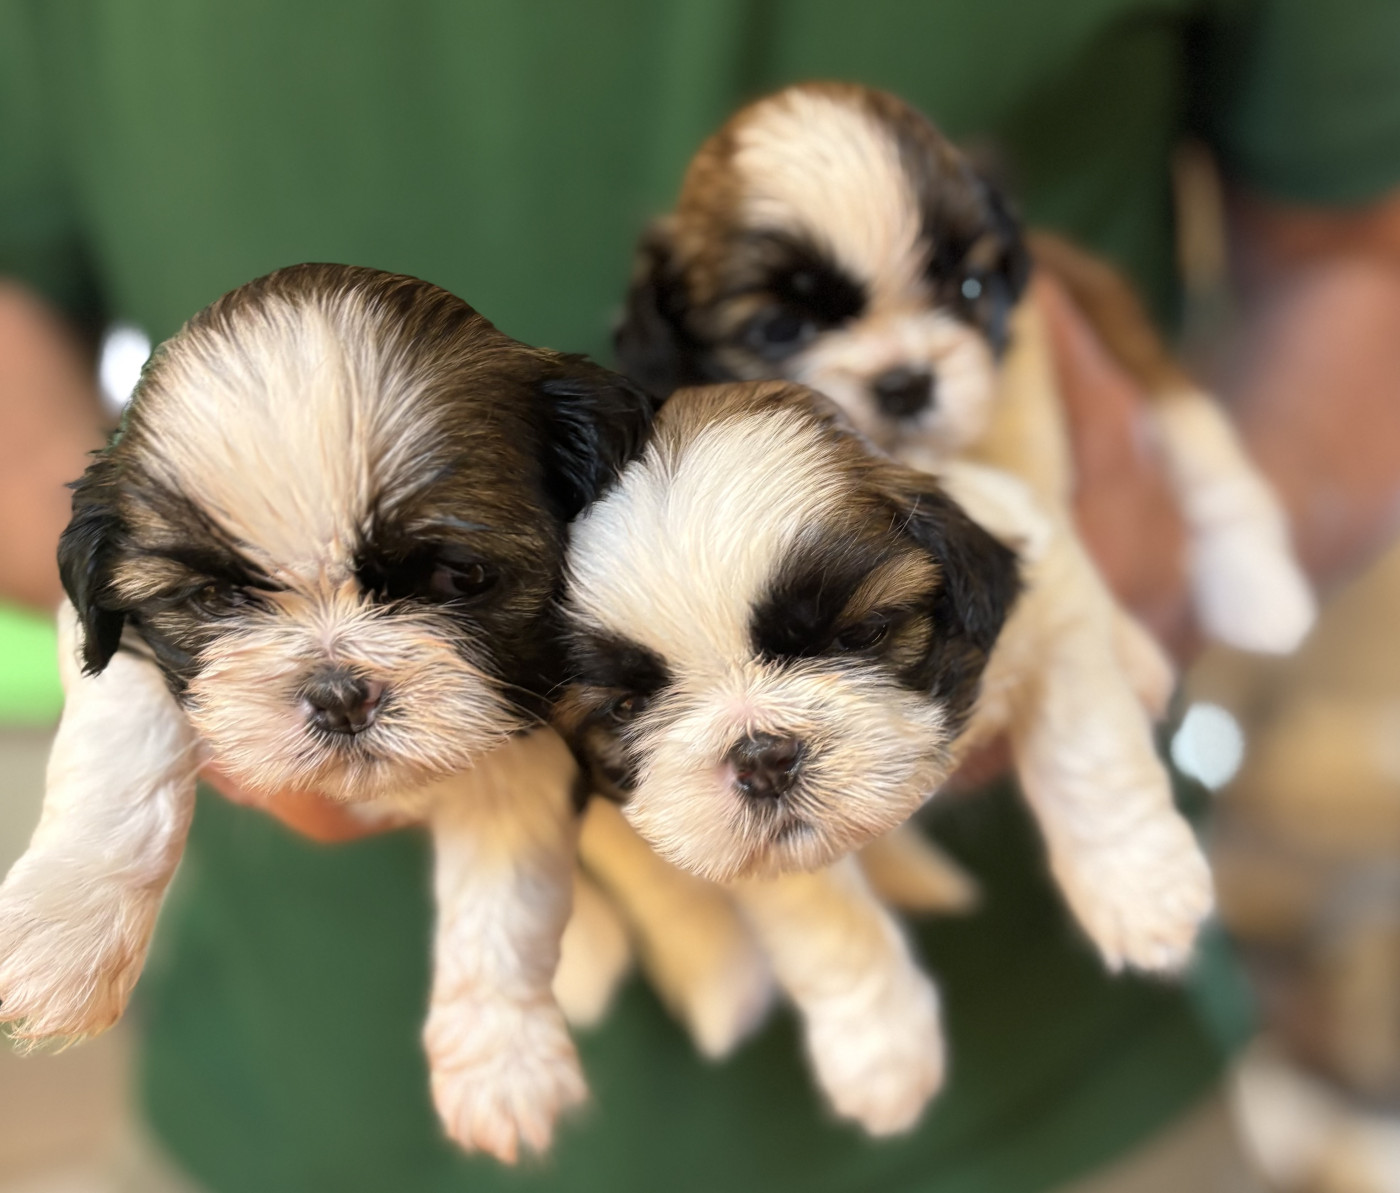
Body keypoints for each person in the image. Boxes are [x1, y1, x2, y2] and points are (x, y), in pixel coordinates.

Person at [1, 3, 1398, 1190]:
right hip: (291, 1100)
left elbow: (1361, 251)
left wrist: (1174, 551)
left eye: (451, 579)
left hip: (1076, 1089)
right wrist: (155, 731)